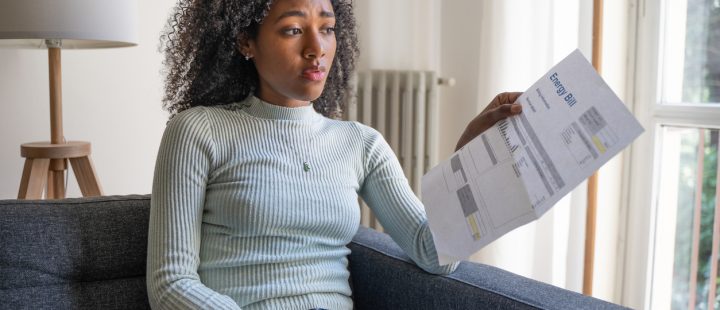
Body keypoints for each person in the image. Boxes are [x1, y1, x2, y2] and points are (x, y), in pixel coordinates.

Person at [146, 0, 522, 309]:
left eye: (326, 29)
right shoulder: (198, 130)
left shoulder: (360, 143)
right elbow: (171, 284)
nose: (317, 48)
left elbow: (435, 253)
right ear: (246, 42)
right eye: (293, 30)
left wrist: (471, 158)